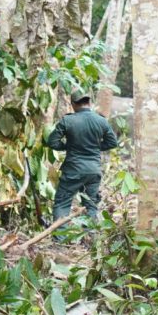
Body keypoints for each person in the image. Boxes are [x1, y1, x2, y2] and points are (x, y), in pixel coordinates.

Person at [46, 90, 119, 221]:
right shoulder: (101, 121)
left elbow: (52, 142)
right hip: (93, 170)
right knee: (91, 205)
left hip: (73, 169)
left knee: (62, 203)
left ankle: (60, 239)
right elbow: (113, 142)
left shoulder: (67, 121)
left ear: (73, 104)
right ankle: (91, 238)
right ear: (89, 102)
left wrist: (67, 146)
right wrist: (95, 148)